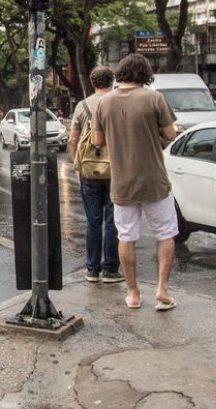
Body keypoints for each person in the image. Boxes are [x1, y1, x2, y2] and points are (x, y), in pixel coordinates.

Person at [92, 53, 178, 311]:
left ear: (120, 73)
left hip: (122, 182)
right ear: (146, 74)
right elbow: (171, 134)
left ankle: (133, 293)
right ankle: (162, 289)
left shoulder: (104, 103)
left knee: (126, 236)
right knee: (165, 234)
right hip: (155, 181)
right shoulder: (154, 98)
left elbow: (97, 141)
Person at [68, 66, 122, 284]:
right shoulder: (118, 103)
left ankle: (92, 269)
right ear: (112, 82)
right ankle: (110, 269)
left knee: (93, 221)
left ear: (92, 83)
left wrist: (78, 165)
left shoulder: (82, 106)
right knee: (113, 220)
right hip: (115, 169)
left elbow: (72, 139)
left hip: (89, 171)